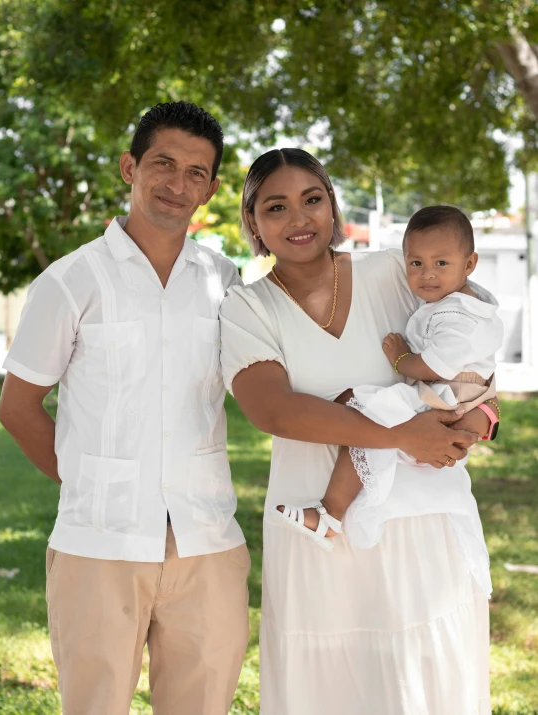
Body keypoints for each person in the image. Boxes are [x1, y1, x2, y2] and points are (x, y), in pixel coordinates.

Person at [219, 148, 499, 714]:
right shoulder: (247, 309)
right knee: (329, 689)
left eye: (313, 200)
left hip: (420, 524)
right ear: (253, 221)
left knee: (419, 684)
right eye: (277, 206)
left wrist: (474, 420)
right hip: (317, 529)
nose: (299, 219)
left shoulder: (395, 272)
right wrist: (402, 435)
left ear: (332, 206)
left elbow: (471, 350)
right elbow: (275, 411)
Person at [0, 101, 250, 715]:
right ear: (128, 167)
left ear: (211, 189)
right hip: (98, 545)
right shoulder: (70, 281)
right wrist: (88, 480)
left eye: (196, 172)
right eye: (163, 163)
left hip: (207, 539)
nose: (177, 183)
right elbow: (18, 406)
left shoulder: (227, 281)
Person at [275, 206, 502, 591]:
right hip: (463, 399)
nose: (427, 273)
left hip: (451, 397)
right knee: (367, 418)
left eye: (441, 262)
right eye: (416, 262)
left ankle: (330, 514)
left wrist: (399, 356)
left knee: (365, 420)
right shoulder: (459, 301)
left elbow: (435, 365)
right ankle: (342, 509)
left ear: (470, 263)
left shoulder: (459, 315)